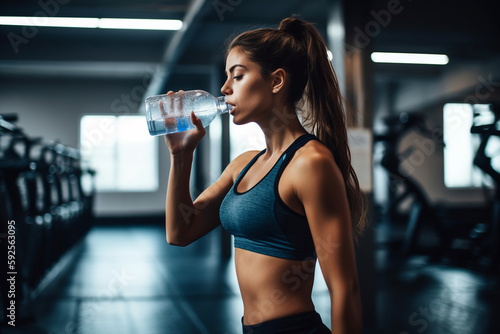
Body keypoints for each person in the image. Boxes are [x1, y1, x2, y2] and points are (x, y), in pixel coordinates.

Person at [163, 17, 367, 334]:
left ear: (276, 81)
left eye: (238, 76)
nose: (224, 89)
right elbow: (180, 232)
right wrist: (181, 155)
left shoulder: (310, 163)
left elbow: (345, 288)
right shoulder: (242, 164)